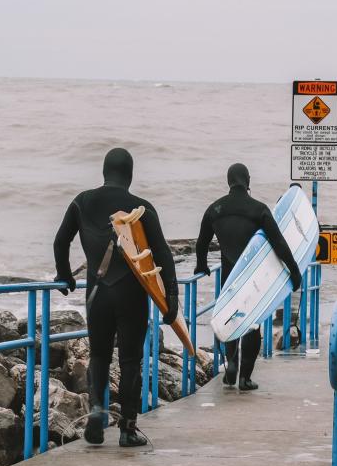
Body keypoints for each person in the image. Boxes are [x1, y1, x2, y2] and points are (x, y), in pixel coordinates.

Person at [53, 147, 179, 447]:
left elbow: (61, 241)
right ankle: (128, 429)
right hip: (132, 294)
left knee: (98, 355)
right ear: (130, 174)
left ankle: (97, 411)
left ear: (104, 172)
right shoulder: (142, 207)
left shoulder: (81, 201)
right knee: (130, 360)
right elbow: (162, 254)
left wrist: (65, 276)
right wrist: (171, 295)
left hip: (97, 294)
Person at [194, 163, 303, 391]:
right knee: (252, 325)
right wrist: (293, 271)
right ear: (248, 180)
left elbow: (202, 242)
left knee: (231, 318)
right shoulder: (258, 209)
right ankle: (245, 378)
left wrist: (201, 265)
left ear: (228, 181)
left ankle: (231, 361)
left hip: (229, 277)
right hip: (254, 280)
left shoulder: (215, 209)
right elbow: (279, 243)